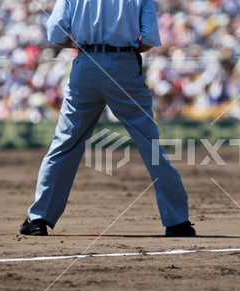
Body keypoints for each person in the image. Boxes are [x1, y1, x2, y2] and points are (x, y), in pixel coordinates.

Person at [20, 0, 196, 237]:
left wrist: (84, 45)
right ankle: (177, 222)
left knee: (65, 143)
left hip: (86, 63)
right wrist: (121, 51)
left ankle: (39, 218)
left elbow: (56, 34)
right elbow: (149, 39)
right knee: (150, 144)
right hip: (123, 64)